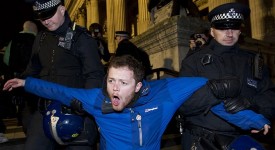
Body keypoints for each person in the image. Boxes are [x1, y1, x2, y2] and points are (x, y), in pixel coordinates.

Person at [3, 55, 271, 150]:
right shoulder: (97, 99)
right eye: (111, 81)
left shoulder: (165, 91)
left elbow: (214, 94)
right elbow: (59, 91)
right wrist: (26, 83)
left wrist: (254, 120)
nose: (114, 88)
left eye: (122, 82)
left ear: (140, 86)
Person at [178, 3, 275, 150]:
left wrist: (251, 103)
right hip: (201, 141)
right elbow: (183, 104)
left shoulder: (253, 61)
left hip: (241, 141)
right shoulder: (193, 61)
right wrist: (213, 91)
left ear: (240, 30)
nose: (229, 33)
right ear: (212, 31)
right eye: (222, 28)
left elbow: (269, 96)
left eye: (234, 27)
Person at [19, 0, 105, 150]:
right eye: (41, 17)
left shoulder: (82, 38)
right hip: (45, 112)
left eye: (48, 15)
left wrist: (83, 106)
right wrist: (20, 86)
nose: (45, 21)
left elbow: (95, 75)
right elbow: (32, 70)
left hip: (76, 112)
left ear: (62, 9)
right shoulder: (40, 39)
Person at [4, 20, 38, 128]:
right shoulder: (38, 39)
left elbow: (6, 60)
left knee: (22, 104)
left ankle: (24, 123)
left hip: (18, 77)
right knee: (34, 102)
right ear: (34, 29)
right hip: (34, 76)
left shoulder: (14, 40)